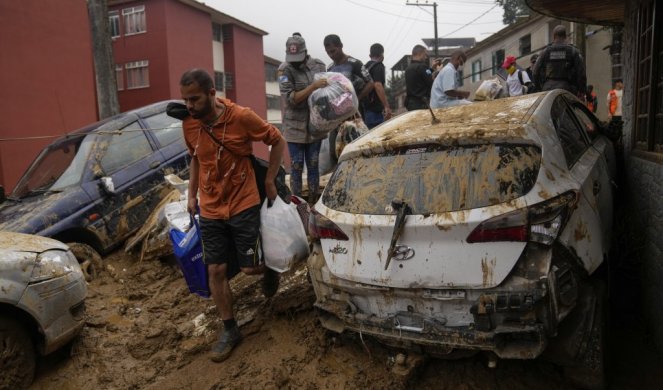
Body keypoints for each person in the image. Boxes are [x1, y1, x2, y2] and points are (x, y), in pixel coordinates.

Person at [179, 68, 286, 363]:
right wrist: (191, 195)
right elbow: (196, 160)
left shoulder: (241, 117)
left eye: (195, 99)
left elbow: (276, 140)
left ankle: (271, 269)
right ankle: (229, 330)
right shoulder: (189, 125)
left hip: (243, 203)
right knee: (215, 270)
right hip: (211, 208)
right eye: (185, 100)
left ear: (212, 94)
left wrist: (269, 180)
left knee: (250, 268)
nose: (189, 106)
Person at [279, 34, 327, 202]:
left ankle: (313, 203)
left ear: (305, 52)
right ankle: (297, 204)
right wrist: (313, 87)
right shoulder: (284, 70)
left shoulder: (319, 66)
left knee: (313, 165)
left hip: (315, 125)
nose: (295, 62)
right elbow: (290, 99)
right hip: (294, 127)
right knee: (297, 166)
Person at [533, 25, 587, 97]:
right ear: (565, 36)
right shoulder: (573, 51)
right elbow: (581, 73)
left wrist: (539, 88)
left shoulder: (545, 52)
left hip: (548, 90)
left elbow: (535, 72)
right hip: (567, 90)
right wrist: (581, 90)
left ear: (554, 36)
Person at [323, 34, 374, 101]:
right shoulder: (330, 68)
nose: (331, 55)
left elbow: (370, 83)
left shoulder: (355, 63)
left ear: (341, 46)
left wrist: (356, 99)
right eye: (328, 52)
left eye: (333, 51)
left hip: (356, 110)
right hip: (338, 109)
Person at [361, 43, 393, 129]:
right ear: (382, 55)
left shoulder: (364, 67)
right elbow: (378, 85)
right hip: (375, 111)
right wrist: (386, 106)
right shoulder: (378, 66)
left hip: (364, 110)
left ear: (370, 55)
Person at [404, 45, 434, 110]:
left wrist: (431, 69)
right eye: (425, 54)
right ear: (420, 54)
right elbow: (431, 83)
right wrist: (439, 72)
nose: (426, 57)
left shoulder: (408, 69)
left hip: (410, 104)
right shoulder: (423, 67)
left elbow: (420, 76)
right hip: (422, 104)